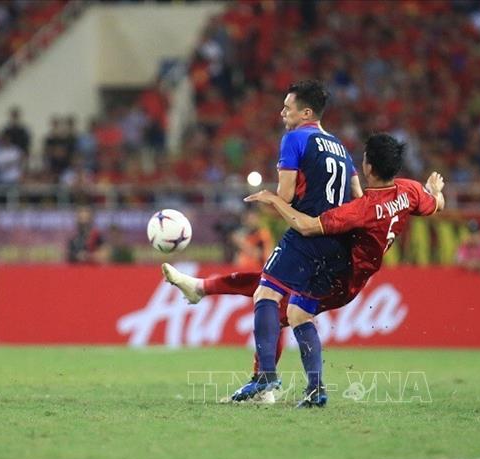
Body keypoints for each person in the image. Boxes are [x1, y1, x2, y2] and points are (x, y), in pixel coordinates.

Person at [163, 133, 445, 405]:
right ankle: (203, 289)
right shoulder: (410, 191)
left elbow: (307, 226)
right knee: (274, 290)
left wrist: (275, 200)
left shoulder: (361, 210)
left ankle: (278, 385)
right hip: (346, 269)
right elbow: (436, 205)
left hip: (339, 275)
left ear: (368, 165)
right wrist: (435, 191)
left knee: (283, 307)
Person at [165, 79, 362, 407]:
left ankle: (266, 377)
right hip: (338, 243)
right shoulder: (341, 147)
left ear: (306, 112)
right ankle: (314, 390)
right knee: (297, 311)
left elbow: (285, 195)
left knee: (266, 294)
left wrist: (270, 199)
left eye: (288, 107)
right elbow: (358, 198)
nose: (282, 112)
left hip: (306, 234)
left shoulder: (295, 139)